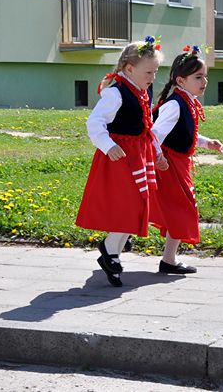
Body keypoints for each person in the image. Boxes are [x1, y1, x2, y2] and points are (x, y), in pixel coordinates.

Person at [76, 36, 166, 287]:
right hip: (120, 157)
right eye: (148, 71)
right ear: (129, 69)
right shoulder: (116, 93)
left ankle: (111, 250)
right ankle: (110, 249)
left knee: (138, 204)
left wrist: (157, 152)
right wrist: (108, 145)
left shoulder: (140, 92)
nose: (152, 77)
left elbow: (147, 127)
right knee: (128, 204)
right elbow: (94, 122)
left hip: (139, 154)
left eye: (155, 72)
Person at [151, 45, 223, 275]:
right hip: (168, 164)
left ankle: (166, 258)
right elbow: (153, 134)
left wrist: (206, 142)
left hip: (179, 163)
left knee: (174, 209)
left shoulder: (187, 101)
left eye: (205, 77)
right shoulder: (174, 104)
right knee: (181, 209)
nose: (204, 82)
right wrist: (159, 157)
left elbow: (185, 132)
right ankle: (166, 259)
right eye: (198, 77)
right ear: (181, 81)